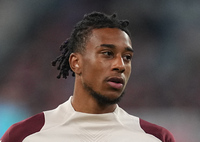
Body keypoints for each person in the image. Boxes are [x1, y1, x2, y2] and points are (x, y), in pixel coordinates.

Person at [1, 11, 175, 142]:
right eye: (107, 54)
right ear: (76, 62)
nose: (120, 66)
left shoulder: (156, 138)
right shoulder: (25, 135)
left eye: (127, 57)